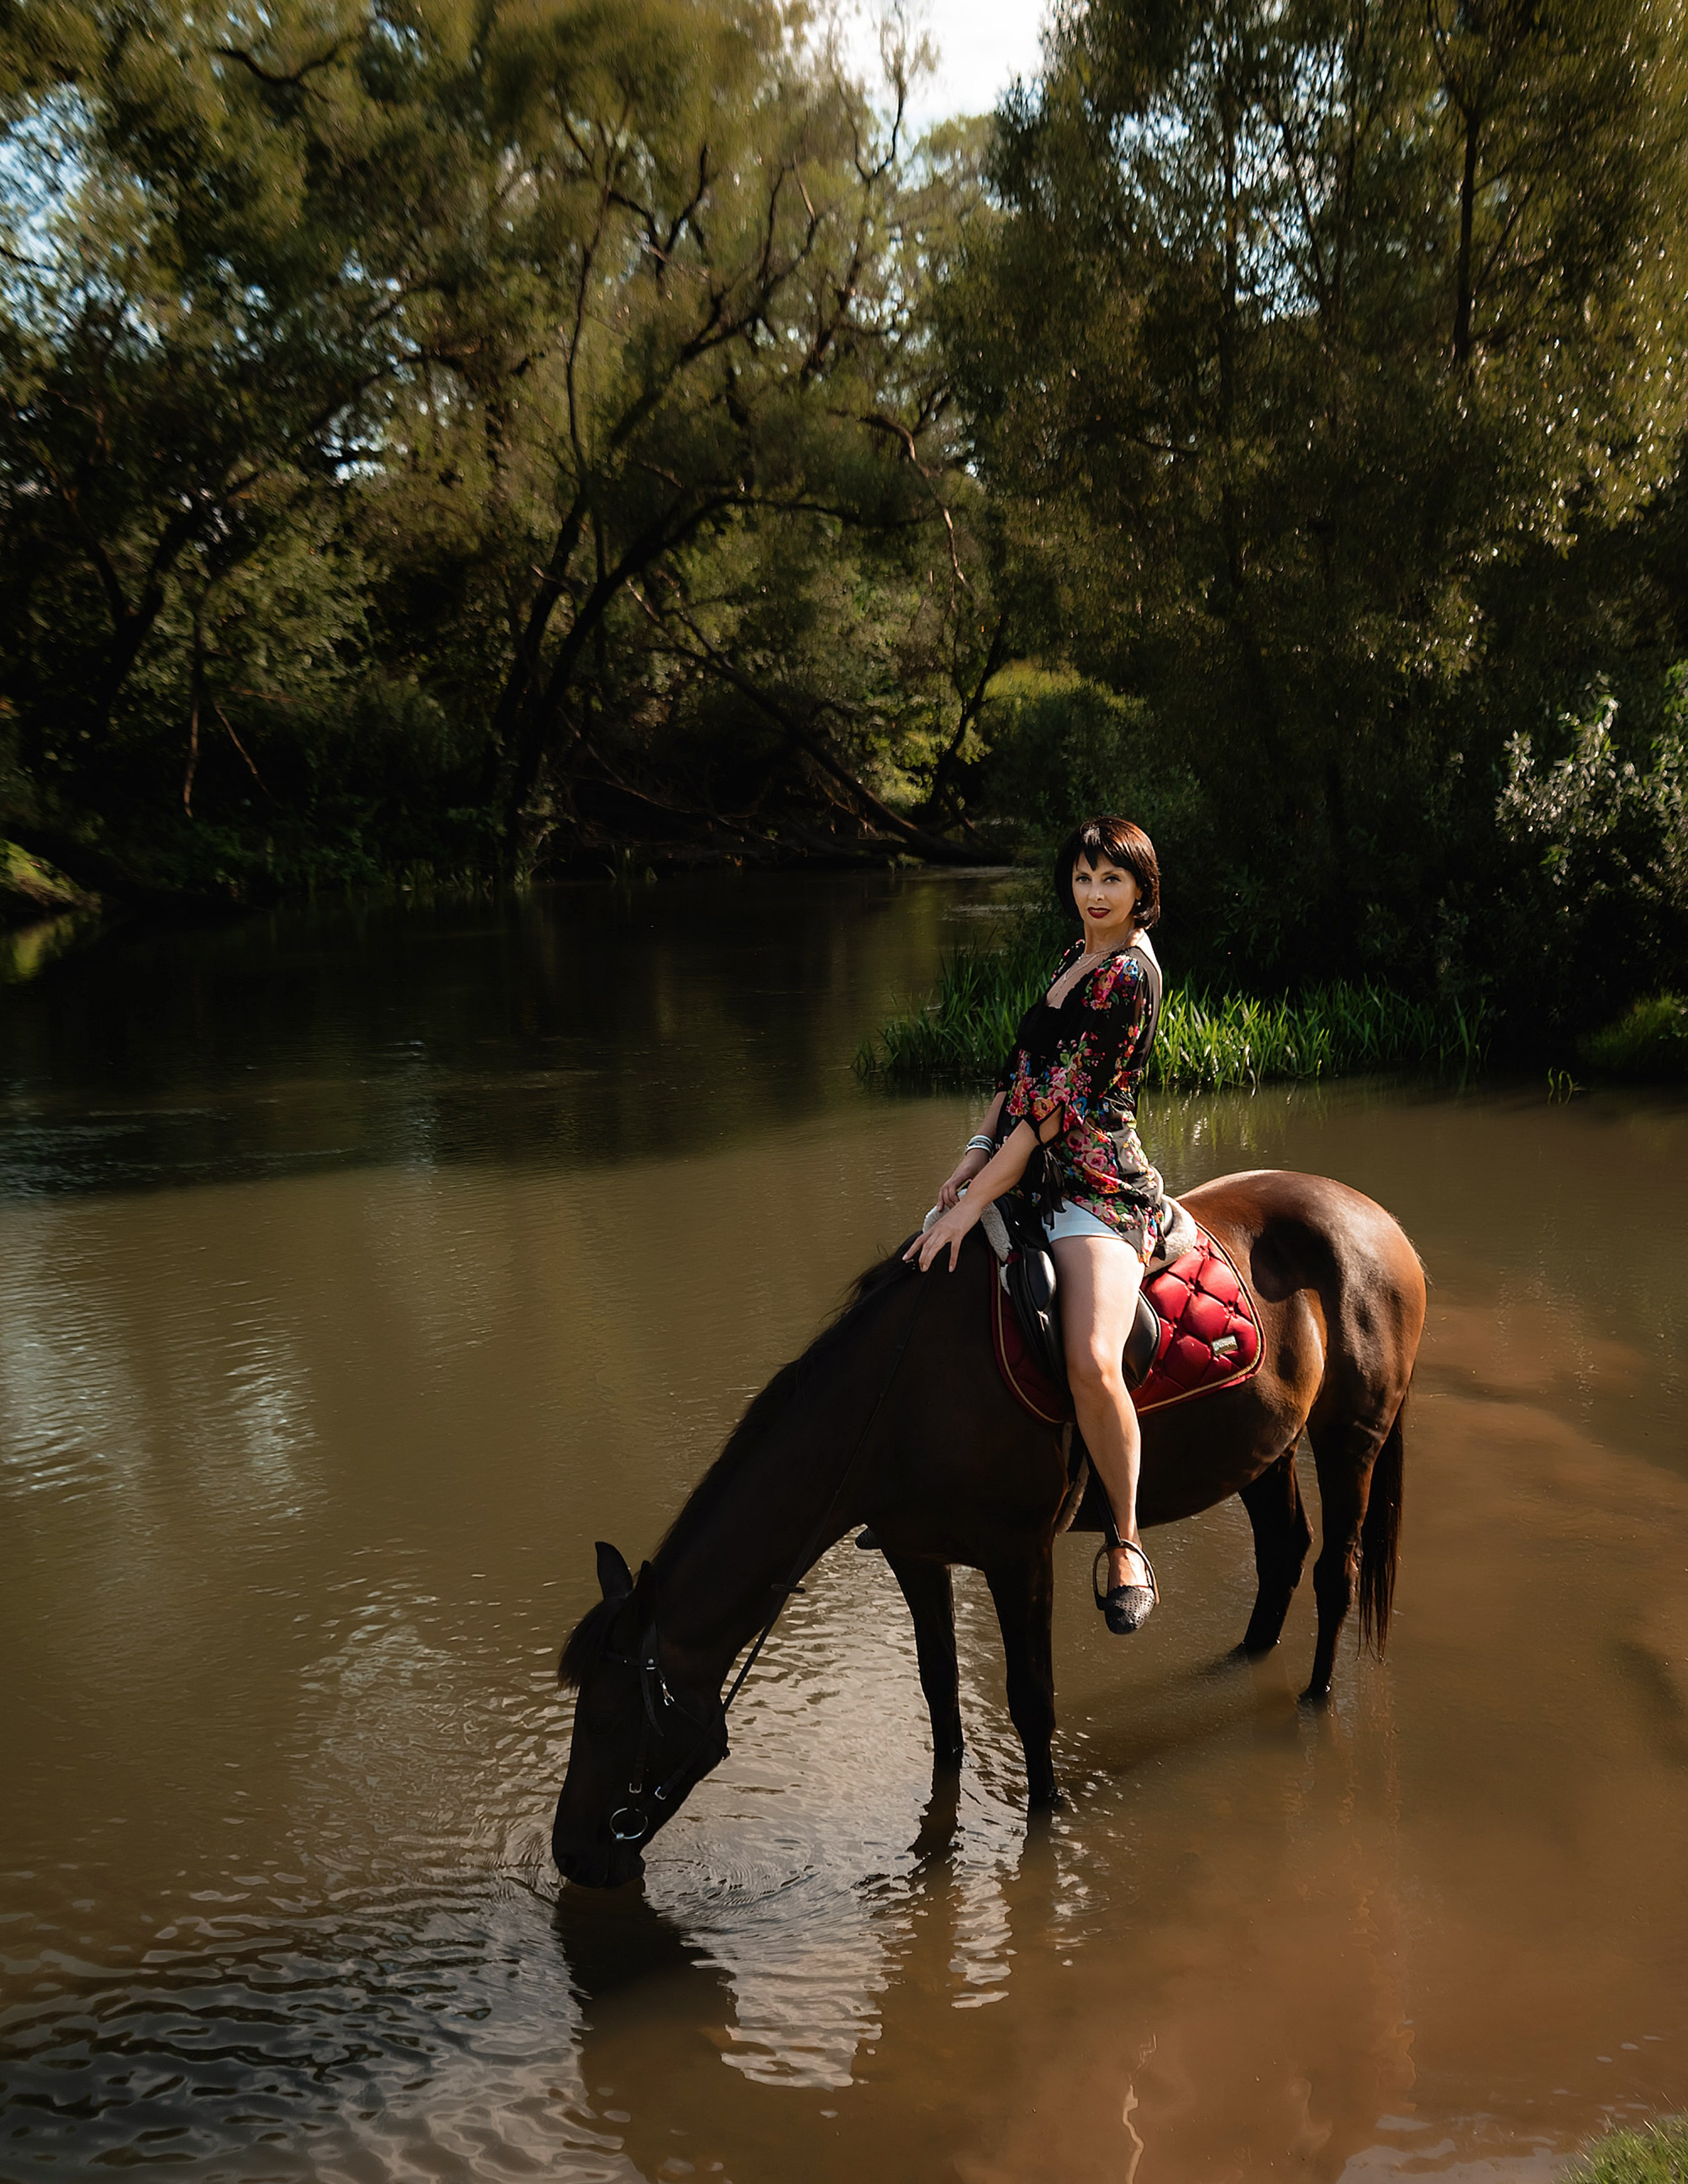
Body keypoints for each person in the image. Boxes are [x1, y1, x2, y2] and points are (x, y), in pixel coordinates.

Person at [906, 815, 1168, 1633]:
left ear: (1141, 893)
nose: (1094, 895)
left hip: (1094, 1183)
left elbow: (1055, 1111)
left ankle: (1124, 1539)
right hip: (1026, 1163)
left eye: (1111, 882)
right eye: (1084, 879)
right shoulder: (1075, 959)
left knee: (1092, 1358)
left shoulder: (1127, 975)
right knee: (925, 1267)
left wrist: (983, 1193)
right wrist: (970, 1158)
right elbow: (1020, 1078)